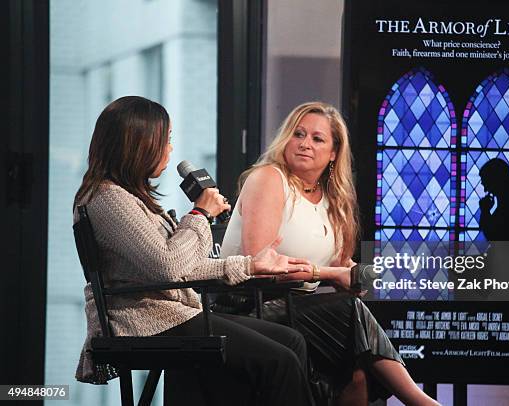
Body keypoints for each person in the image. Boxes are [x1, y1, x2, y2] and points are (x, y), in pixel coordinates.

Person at [73, 96, 314, 406]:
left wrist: (251, 265)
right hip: (145, 321)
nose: (170, 149)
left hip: (172, 313)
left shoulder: (129, 197)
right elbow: (169, 267)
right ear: (139, 143)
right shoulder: (107, 198)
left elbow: (184, 267)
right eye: (166, 140)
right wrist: (199, 214)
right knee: (279, 361)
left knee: (292, 341)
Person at [221, 101, 439, 405]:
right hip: (249, 306)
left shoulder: (334, 199)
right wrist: (325, 274)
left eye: (317, 139)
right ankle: (419, 400)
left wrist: (363, 276)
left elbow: (340, 266)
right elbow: (261, 265)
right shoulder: (269, 178)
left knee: (356, 367)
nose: (304, 144)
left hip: (300, 307)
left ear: (334, 152)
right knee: (350, 315)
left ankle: (419, 401)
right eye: (298, 134)